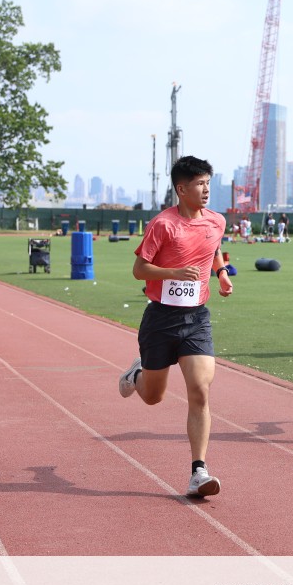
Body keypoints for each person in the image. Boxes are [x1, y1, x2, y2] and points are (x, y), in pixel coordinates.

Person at [116, 156, 233, 497]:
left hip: (196, 318)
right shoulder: (163, 224)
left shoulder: (217, 221)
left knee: (200, 390)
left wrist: (222, 273)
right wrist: (174, 273)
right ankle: (136, 375)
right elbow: (139, 270)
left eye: (208, 183)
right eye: (199, 184)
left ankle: (199, 471)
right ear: (182, 189)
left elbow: (214, 247)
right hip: (161, 319)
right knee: (154, 397)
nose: (206, 189)